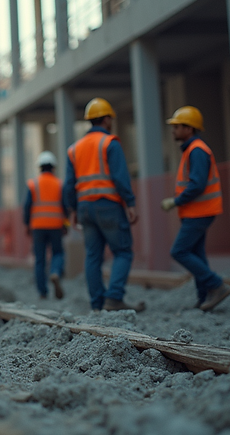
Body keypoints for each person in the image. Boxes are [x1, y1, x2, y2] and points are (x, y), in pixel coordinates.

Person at [63, 98, 144, 312]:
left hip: (84, 209)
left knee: (92, 256)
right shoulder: (109, 143)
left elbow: (69, 184)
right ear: (107, 119)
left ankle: (98, 304)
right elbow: (120, 177)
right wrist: (130, 202)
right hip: (108, 205)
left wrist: (71, 210)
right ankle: (114, 297)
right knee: (123, 251)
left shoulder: (74, 149)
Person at [161, 106, 230, 311]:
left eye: (177, 126)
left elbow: (197, 184)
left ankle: (217, 285)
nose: (173, 130)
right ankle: (204, 298)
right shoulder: (192, 150)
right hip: (197, 211)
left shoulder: (197, 150)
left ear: (189, 129)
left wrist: (176, 201)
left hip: (199, 211)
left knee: (179, 251)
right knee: (197, 254)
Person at [23, 151, 66, 300]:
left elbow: (27, 206)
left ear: (39, 167)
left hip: (38, 226)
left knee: (40, 259)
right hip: (56, 225)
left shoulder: (33, 184)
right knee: (58, 253)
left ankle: (43, 292)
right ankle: (55, 272)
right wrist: (65, 224)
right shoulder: (59, 184)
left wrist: (27, 225)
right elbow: (65, 207)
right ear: (53, 167)